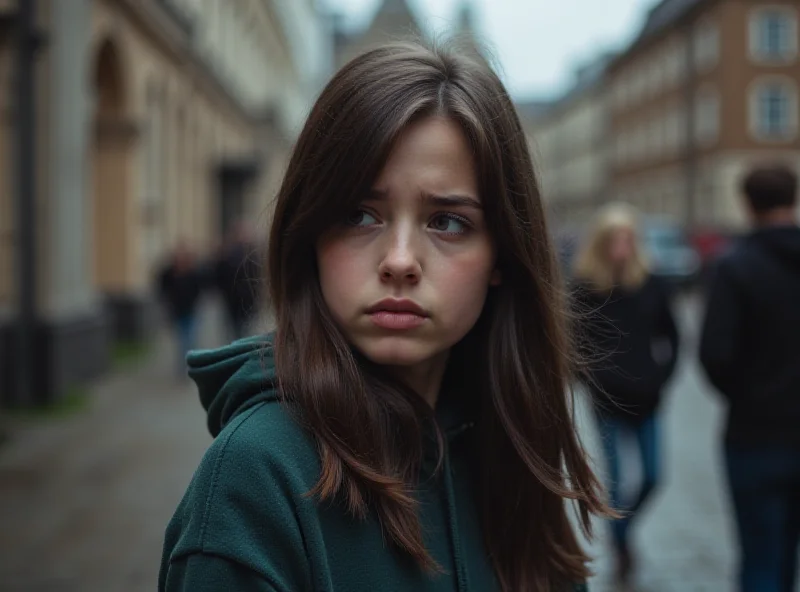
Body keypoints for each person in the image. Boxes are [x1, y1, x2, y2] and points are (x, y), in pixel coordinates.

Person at [159, 40, 610, 592]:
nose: (400, 260)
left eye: (447, 222)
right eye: (359, 215)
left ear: (502, 254)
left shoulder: (513, 455)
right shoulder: (253, 482)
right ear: (310, 236)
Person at [699, 165, 800, 592]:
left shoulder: (736, 267)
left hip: (754, 435)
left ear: (747, 205)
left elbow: (715, 355)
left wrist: (749, 395)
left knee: (760, 556)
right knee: (787, 557)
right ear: (793, 200)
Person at [571, 203, 679, 585]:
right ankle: (622, 547)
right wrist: (590, 378)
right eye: (615, 238)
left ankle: (621, 534)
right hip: (607, 401)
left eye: (628, 238)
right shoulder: (584, 287)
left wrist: (661, 377)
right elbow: (572, 344)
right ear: (600, 242)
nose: (622, 245)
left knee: (652, 475)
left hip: (648, 398)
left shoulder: (652, 283)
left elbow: (672, 336)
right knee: (615, 482)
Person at [157, 241, 206, 378]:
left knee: (189, 339)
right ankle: (183, 368)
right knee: (182, 341)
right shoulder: (169, 273)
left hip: (192, 311)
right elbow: (162, 287)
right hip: (177, 312)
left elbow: (199, 289)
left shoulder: (193, 272)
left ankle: (189, 366)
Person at [213, 220, 262, 340]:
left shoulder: (229, 254)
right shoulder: (251, 255)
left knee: (236, 331)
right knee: (244, 331)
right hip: (241, 300)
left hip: (237, 300)